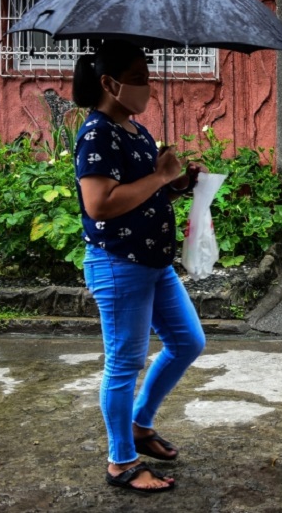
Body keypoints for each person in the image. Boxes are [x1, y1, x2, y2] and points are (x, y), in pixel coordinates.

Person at [72, 40, 207, 493]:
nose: (148, 86)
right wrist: (159, 177)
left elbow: (145, 194)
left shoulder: (135, 129)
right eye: (139, 77)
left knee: (188, 340)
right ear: (110, 83)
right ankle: (120, 462)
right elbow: (100, 205)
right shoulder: (97, 134)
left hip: (153, 262)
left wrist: (179, 184)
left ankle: (140, 424)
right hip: (118, 264)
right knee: (124, 363)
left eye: (148, 75)